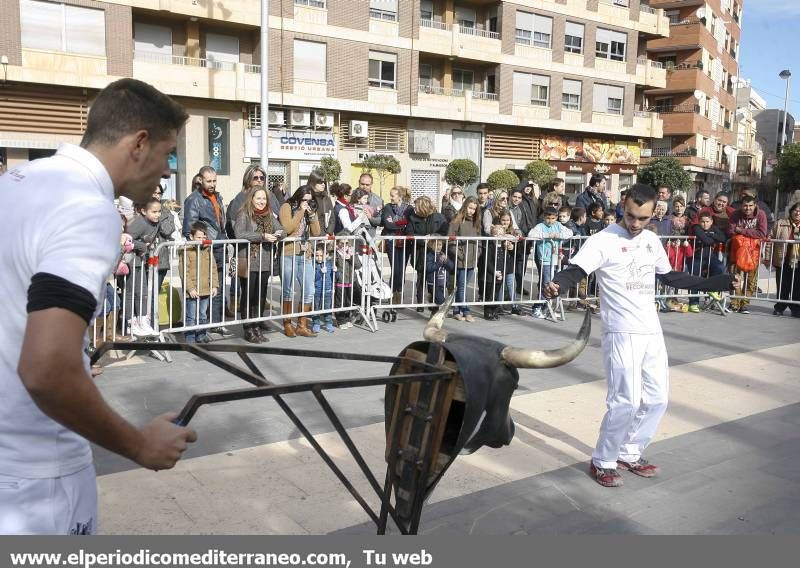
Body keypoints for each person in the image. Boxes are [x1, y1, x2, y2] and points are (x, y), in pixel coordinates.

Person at [0, 78, 196, 535]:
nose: (168, 172)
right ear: (138, 143)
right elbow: (46, 368)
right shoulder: (89, 210)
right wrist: (138, 446)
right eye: (168, 154)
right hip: (36, 483)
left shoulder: (15, 184)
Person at [543, 184, 738, 488]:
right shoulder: (602, 240)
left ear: (653, 214)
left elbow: (672, 277)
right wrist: (557, 283)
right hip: (621, 332)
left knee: (658, 399)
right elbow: (576, 270)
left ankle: (629, 453)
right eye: (631, 216)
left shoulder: (651, 240)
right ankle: (603, 460)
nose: (635, 224)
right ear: (623, 205)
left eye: (643, 219)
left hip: (651, 330)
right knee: (625, 401)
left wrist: (720, 281)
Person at [182, 166, 233, 337]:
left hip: (219, 246)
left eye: (214, 181)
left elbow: (220, 222)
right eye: (208, 181)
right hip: (204, 249)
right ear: (200, 180)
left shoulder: (217, 197)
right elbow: (188, 228)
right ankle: (194, 330)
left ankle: (215, 324)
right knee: (199, 291)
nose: (212, 184)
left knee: (216, 286)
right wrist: (198, 244)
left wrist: (224, 239)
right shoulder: (193, 199)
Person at [233, 186, 284, 343]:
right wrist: (262, 236)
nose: (262, 201)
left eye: (264, 198)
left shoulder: (268, 215)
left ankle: (257, 326)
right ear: (251, 199)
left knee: (260, 295)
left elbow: (281, 229)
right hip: (247, 260)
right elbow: (239, 234)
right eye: (258, 198)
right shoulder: (244, 214)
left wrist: (279, 233)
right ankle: (248, 328)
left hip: (264, 261)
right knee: (248, 295)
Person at [126, 197, 174, 336]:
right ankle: (131, 323)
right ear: (143, 211)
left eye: (159, 212)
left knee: (143, 293)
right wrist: (142, 246)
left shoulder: (156, 222)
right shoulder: (140, 223)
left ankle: (143, 321)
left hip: (141, 262)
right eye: (154, 212)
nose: (157, 215)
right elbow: (126, 238)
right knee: (132, 293)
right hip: (130, 261)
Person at [278, 186, 322, 337]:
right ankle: (287, 324)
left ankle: (301, 325)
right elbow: (287, 228)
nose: (306, 203)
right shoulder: (286, 206)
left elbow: (316, 232)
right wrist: (300, 211)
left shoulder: (309, 210)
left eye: (309, 201)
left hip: (305, 254)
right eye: (304, 200)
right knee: (288, 290)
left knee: (309, 290)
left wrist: (312, 215)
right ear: (298, 197)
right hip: (289, 253)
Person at [727, 194, 768, 314]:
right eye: (745, 205)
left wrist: (741, 231)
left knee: (751, 281)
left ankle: (744, 304)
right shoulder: (735, 214)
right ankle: (735, 303)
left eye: (750, 205)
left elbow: (762, 234)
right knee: (735, 279)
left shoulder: (761, 215)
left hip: (754, 253)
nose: (748, 208)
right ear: (741, 206)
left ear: (755, 205)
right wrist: (750, 233)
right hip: (737, 252)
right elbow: (730, 230)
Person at [529, 207, 572, 319]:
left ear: (556, 217)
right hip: (545, 259)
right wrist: (546, 236)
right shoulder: (540, 226)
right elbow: (531, 234)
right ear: (544, 217)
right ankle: (537, 307)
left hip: (556, 259)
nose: (550, 221)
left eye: (553, 218)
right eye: (548, 218)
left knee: (554, 284)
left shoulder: (558, 225)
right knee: (546, 284)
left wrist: (559, 235)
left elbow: (570, 233)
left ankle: (547, 308)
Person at [407, 196, 448, 307]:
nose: (415, 209)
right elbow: (410, 234)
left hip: (434, 253)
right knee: (421, 279)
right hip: (420, 252)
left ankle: (434, 301)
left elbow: (444, 232)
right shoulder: (413, 218)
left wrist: (434, 239)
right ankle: (420, 303)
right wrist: (424, 239)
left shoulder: (438, 217)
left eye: (417, 206)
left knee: (434, 279)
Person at [181, 222, 218, 344]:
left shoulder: (208, 249)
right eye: (199, 237)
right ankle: (190, 339)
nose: (202, 240)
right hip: (193, 290)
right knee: (191, 315)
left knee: (203, 314)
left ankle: (201, 335)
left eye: (204, 237)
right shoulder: (186, 250)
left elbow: (213, 268)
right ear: (191, 237)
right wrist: (190, 288)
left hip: (205, 289)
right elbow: (183, 271)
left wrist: (214, 285)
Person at [447, 196, 483, 322]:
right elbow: (450, 240)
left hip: (472, 259)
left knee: (463, 285)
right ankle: (466, 311)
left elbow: (480, 239)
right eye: (470, 207)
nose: (471, 211)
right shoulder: (457, 220)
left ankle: (457, 311)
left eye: (474, 209)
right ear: (465, 206)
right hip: (461, 259)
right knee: (462, 286)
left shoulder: (476, 221)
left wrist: (478, 252)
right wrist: (459, 254)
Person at [685, 212, 727, 313]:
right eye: (702, 222)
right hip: (696, 257)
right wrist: (711, 237)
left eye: (707, 222)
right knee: (695, 278)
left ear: (711, 222)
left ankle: (711, 288)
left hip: (710, 257)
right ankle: (693, 303)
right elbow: (707, 241)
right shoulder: (696, 228)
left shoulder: (713, 228)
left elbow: (723, 238)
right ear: (699, 222)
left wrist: (709, 234)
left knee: (720, 267)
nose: (705, 224)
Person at [380, 186, 412, 306]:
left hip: (405, 243)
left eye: (393, 195)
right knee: (395, 269)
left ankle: (400, 293)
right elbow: (388, 225)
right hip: (391, 241)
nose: (391, 197)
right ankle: (393, 293)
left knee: (401, 270)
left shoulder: (409, 209)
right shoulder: (388, 207)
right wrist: (402, 224)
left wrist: (397, 223)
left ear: (400, 197)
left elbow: (410, 225)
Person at [768, 201, 800, 317]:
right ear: (791, 211)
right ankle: (780, 307)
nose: (798, 213)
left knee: (797, 286)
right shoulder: (780, 223)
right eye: (796, 210)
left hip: (798, 261)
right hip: (783, 259)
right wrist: (767, 258)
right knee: (782, 284)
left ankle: (796, 309)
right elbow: (770, 239)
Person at [424, 238, 454, 314]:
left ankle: (434, 314)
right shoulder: (430, 255)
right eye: (436, 245)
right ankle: (431, 299)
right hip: (433, 283)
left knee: (436, 302)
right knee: (441, 300)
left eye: (440, 245)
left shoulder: (443, 254)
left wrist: (446, 260)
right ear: (431, 245)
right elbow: (429, 268)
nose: (438, 247)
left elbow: (451, 267)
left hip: (442, 282)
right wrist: (439, 262)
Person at [312, 246, 337, 333]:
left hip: (327, 290)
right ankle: (316, 323)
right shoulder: (314, 264)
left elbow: (335, 277)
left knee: (327, 308)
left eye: (321, 255)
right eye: (317, 255)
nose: (319, 258)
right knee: (316, 307)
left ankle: (328, 324)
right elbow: (313, 278)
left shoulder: (329, 264)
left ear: (326, 255)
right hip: (317, 290)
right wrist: (319, 272)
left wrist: (335, 271)